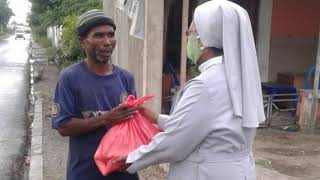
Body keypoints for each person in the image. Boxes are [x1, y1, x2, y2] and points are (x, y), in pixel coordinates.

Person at [116, 1, 266, 180]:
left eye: (190, 33)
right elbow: (209, 126)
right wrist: (156, 118)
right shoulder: (240, 77)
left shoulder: (205, 85)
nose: (187, 39)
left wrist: (130, 159)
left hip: (205, 172)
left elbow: (176, 142)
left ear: (204, 40)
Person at [51, 9, 140, 180]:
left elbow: (132, 124)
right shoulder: (70, 78)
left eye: (111, 34)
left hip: (124, 172)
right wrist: (106, 118)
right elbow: (63, 126)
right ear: (82, 42)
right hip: (86, 172)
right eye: (99, 35)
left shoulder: (126, 78)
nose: (107, 42)